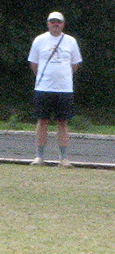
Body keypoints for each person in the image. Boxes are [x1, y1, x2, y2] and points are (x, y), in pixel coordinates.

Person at [27, 11, 82, 167]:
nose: (55, 24)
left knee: (62, 122)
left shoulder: (70, 41)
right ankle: (39, 157)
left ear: (63, 24)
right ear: (48, 23)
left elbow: (74, 65)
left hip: (64, 89)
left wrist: (62, 77)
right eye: (52, 21)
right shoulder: (39, 40)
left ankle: (63, 158)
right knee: (42, 121)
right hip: (43, 88)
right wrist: (44, 78)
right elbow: (34, 64)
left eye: (58, 22)